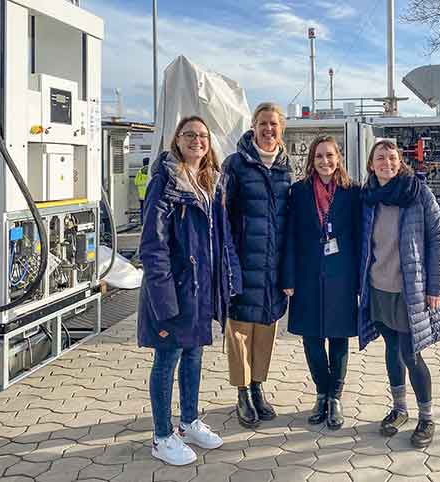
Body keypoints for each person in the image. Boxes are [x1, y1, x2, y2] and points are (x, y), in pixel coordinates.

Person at [137, 116, 242, 465]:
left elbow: (219, 239)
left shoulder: (211, 182)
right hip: (174, 291)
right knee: (168, 359)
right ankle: (162, 436)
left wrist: (225, 284)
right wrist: (163, 303)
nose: (197, 140)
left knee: (194, 356)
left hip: (200, 291)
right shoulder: (164, 183)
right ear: (177, 141)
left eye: (203, 136)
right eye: (189, 135)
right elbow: (153, 246)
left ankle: (188, 422)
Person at [358, 140, 440, 449]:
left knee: (410, 354)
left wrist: (434, 287)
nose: (386, 162)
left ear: (400, 161)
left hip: (409, 289)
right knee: (391, 348)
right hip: (378, 287)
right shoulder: (367, 197)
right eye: (380, 158)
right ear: (371, 165)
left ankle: (426, 417)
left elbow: (437, 239)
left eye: (392, 157)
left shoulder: (417, 192)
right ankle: (399, 409)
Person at [282, 136, 361, 430]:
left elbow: (359, 236)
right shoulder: (299, 192)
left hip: (342, 275)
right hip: (307, 275)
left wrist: (360, 281)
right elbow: (290, 236)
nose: (325, 162)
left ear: (338, 157)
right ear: (311, 161)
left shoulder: (353, 192)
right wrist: (288, 277)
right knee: (312, 339)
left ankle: (335, 398)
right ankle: (321, 393)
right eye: (319, 157)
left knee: (339, 338)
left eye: (329, 156)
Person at [221, 102, 292, 428]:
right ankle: (242, 393)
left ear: (282, 129)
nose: (268, 130)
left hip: (273, 266)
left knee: (266, 330)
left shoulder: (286, 168)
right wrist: (228, 264)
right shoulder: (235, 165)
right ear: (253, 126)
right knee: (239, 332)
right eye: (263, 124)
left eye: (273, 125)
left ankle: (258, 386)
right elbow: (222, 218)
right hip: (242, 262)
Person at [135, 157, 150, 224]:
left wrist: (142, 183)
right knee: (149, 210)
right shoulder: (151, 170)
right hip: (149, 194)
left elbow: (136, 182)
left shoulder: (140, 171)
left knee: (142, 210)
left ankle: (142, 222)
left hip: (141, 195)